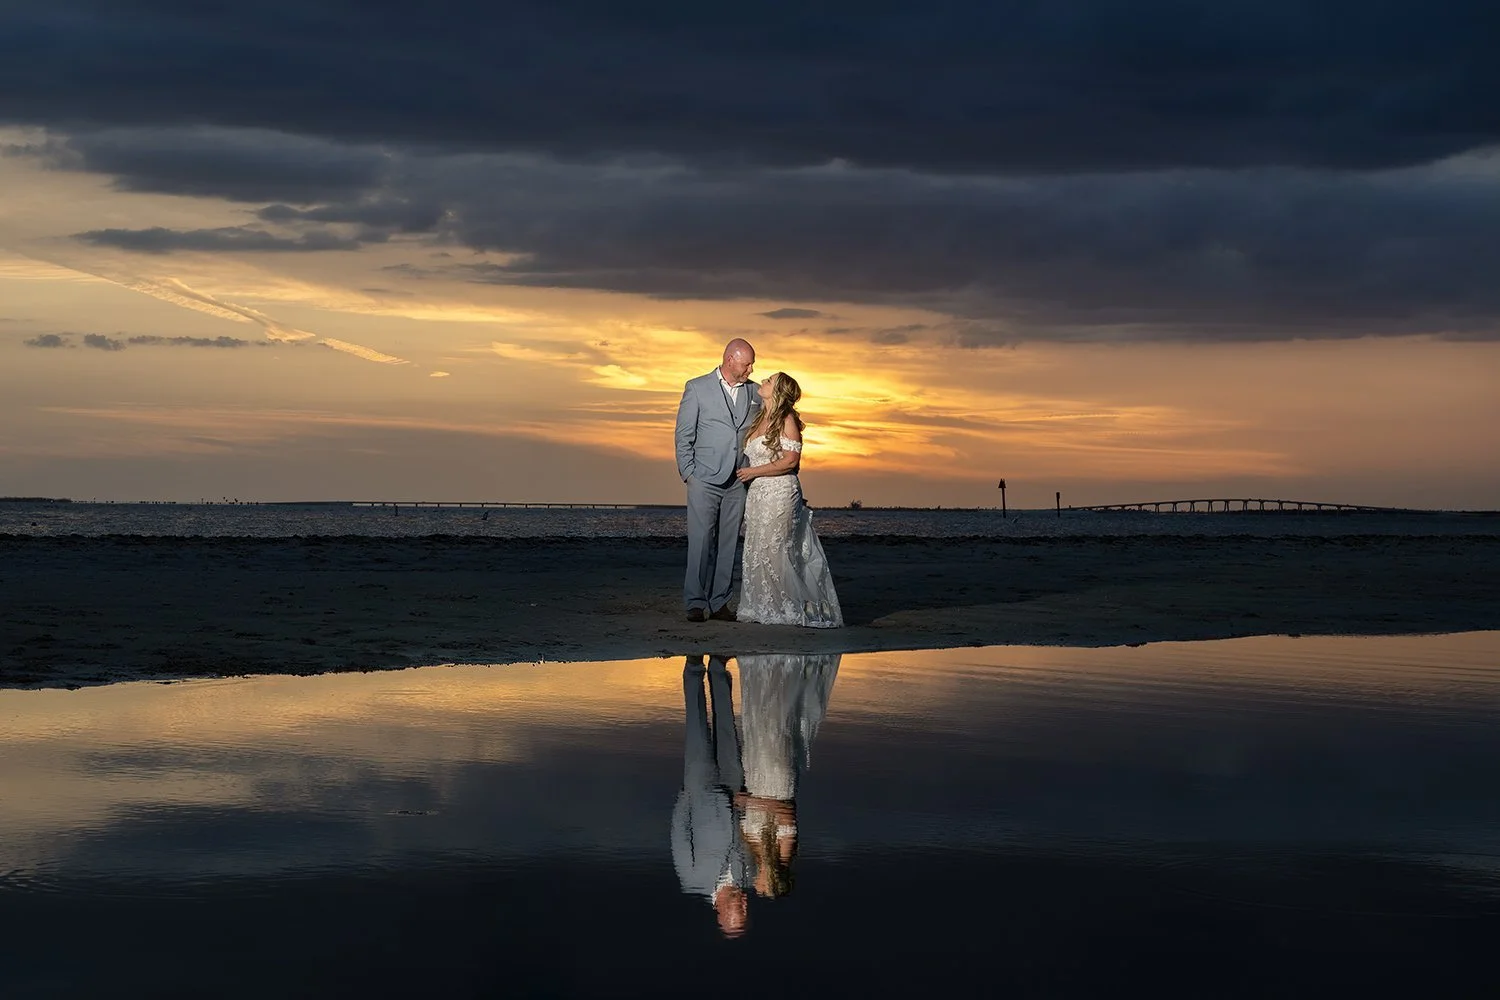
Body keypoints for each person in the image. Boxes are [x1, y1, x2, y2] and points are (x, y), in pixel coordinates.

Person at [733, 372, 844, 627]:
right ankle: (761, 607)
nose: (762, 381)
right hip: (758, 495)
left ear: (779, 390)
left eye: (769, 380)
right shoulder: (760, 418)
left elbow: (791, 461)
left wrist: (753, 472)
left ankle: (788, 608)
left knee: (778, 550)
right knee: (758, 548)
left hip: (780, 493)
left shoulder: (787, 419)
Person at [734, 653, 842, 899]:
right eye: (760, 887)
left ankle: (762, 666)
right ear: (772, 881)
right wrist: (750, 802)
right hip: (776, 780)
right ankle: (785, 667)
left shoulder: (755, 853)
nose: (755, 884)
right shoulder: (784, 851)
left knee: (756, 720)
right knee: (776, 722)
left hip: (755, 777)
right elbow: (786, 812)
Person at [675, 339, 761, 623]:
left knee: (728, 544)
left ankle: (721, 602)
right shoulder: (697, 388)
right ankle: (695, 603)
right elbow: (683, 435)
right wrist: (689, 473)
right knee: (700, 543)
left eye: (751, 363)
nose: (751, 368)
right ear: (729, 359)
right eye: (746, 363)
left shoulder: (755, 392)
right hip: (704, 479)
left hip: (738, 479)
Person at [670, 654, 751, 937]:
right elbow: (745, 838)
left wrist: (687, 794)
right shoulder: (746, 876)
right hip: (732, 788)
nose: (744, 902)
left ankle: (694, 667)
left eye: (739, 909)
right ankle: (718, 666)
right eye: (744, 908)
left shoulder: (692, 880)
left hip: (700, 788)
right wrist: (743, 808)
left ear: (721, 913)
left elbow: (679, 835)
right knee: (727, 723)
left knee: (696, 724)